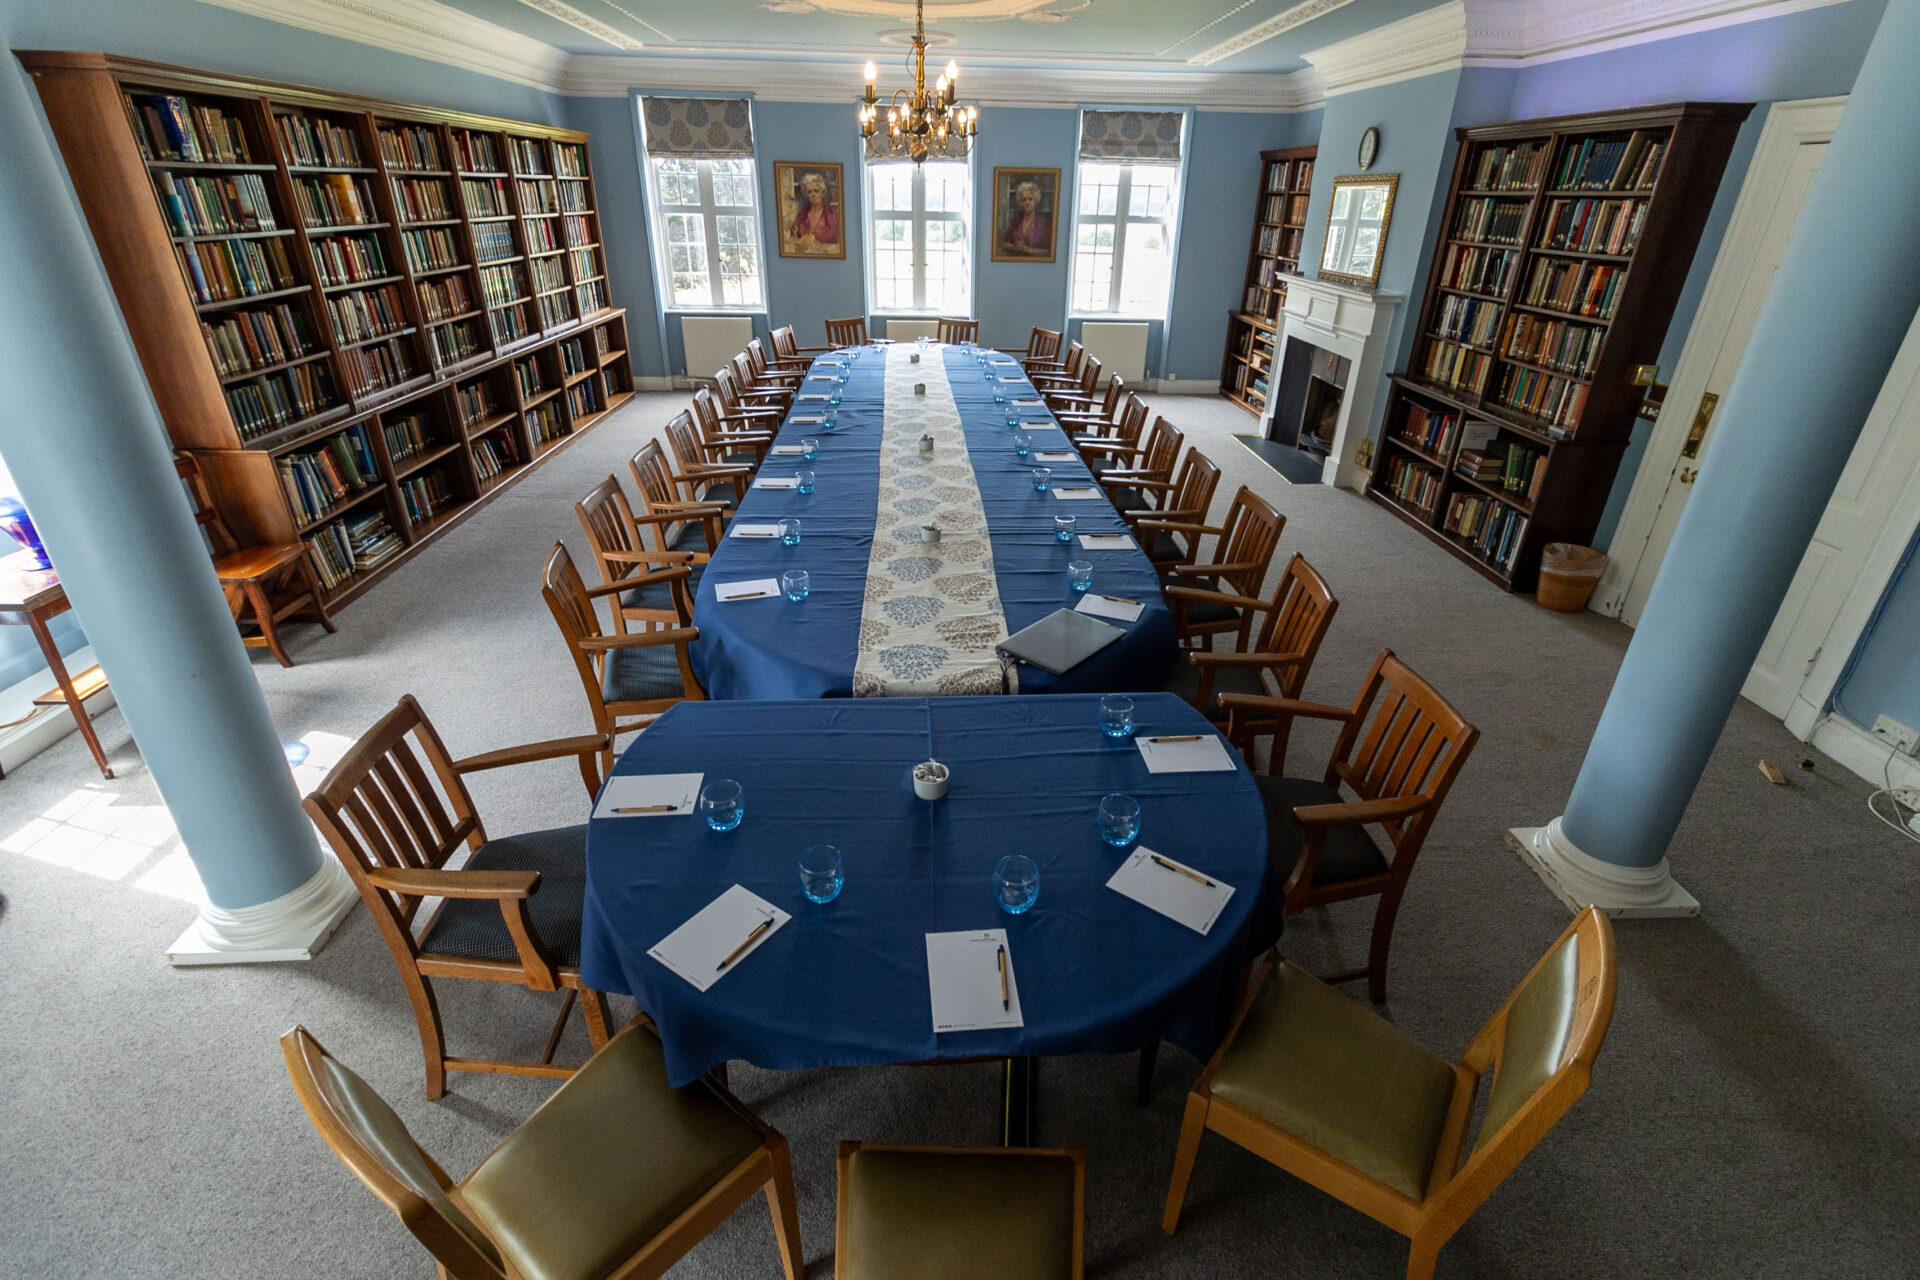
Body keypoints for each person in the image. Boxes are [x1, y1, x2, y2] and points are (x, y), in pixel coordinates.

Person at [788, 171, 839, 250]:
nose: (813, 194)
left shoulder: (832, 215)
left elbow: (840, 246)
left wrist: (819, 245)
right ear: (806, 195)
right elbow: (792, 241)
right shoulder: (801, 216)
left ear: (823, 193)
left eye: (816, 191)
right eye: (809, 192)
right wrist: (798, 240)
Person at [999, 179, 1052, 257]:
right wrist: (1014, 247)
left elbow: (1049, 252)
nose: (1027, 202)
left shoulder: (1044, 223)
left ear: (1035, 201)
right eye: (1024, 200)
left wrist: (1029, 250)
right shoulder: (1016, 222)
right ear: (1020, 203)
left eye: (1030, 199)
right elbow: (1004, 243)